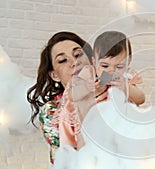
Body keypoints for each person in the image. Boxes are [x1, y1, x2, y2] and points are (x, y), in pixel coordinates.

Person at [27, 31, 108, 164]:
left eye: (78, 55)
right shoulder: (52, 111)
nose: (74, 62)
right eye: (63, 60)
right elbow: (64, 161)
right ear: (54, 75)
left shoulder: (111, 89)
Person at [93, 31, 145, 105]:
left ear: (128, 62)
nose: (112, 71)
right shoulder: (91, 78)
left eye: (119, 67)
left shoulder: (126, 78)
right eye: (105, 66)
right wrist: (90, 91)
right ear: (94, 62)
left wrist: (125, 88)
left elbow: (141, 99)